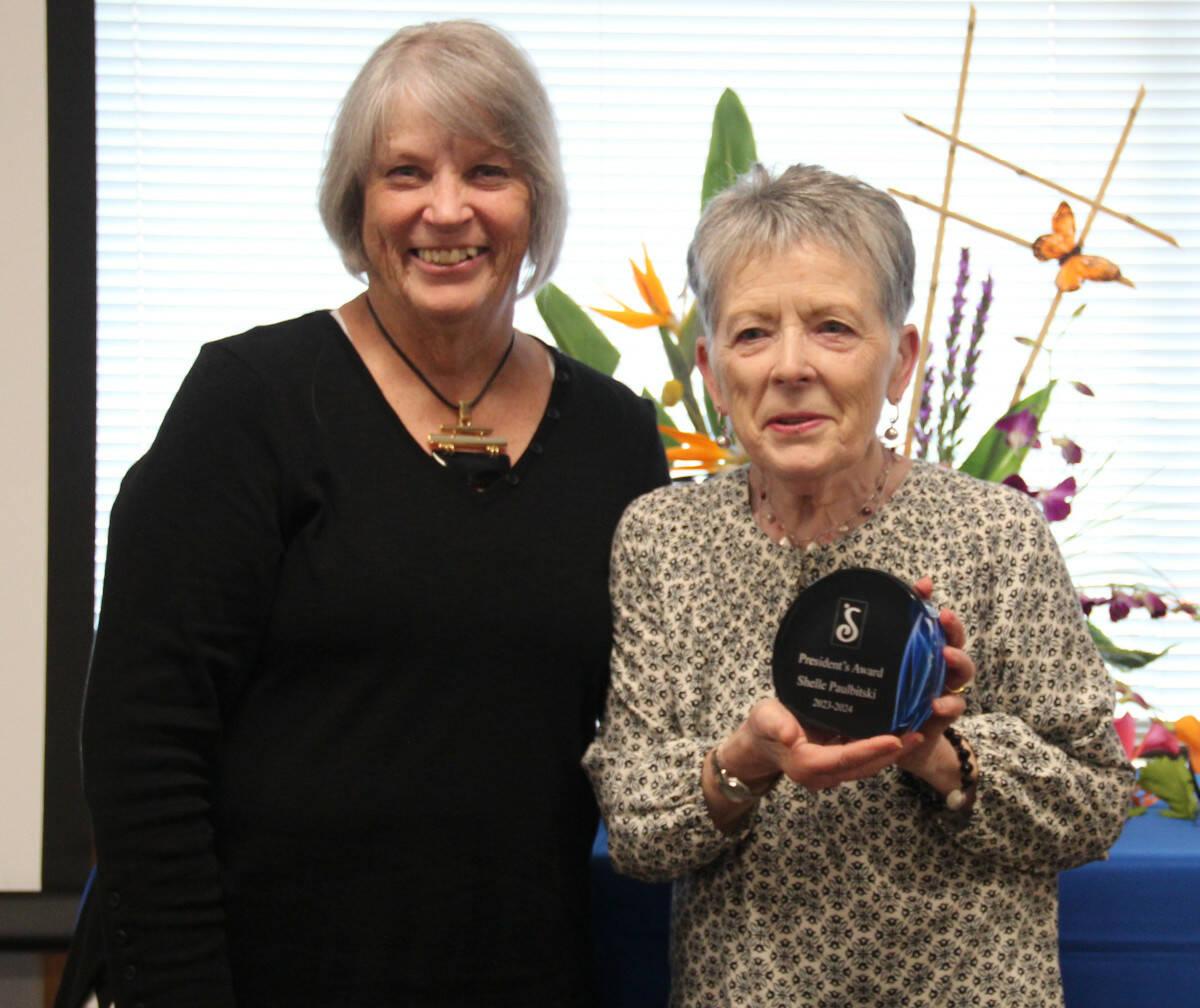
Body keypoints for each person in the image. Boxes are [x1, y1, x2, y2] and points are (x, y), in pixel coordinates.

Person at [58, 20, 668, 1008]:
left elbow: (656, 725)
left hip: (525, 976)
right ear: (357, 204)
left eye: (488, 171)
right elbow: (141, 740)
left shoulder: (615, 438)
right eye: (405, 173)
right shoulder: (247, 403)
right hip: (257, 978)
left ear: (535, 203)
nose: (446, 210)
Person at [583, 163, 1131, 1008]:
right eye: (752, 333)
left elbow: (1097, 800)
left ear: (902, 359)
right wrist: (743, 761)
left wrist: (940, 753)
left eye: (834, 328)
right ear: (712, 369)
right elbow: (637, 832)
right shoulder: (662, 540)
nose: (790, 367)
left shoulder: (995, 535)